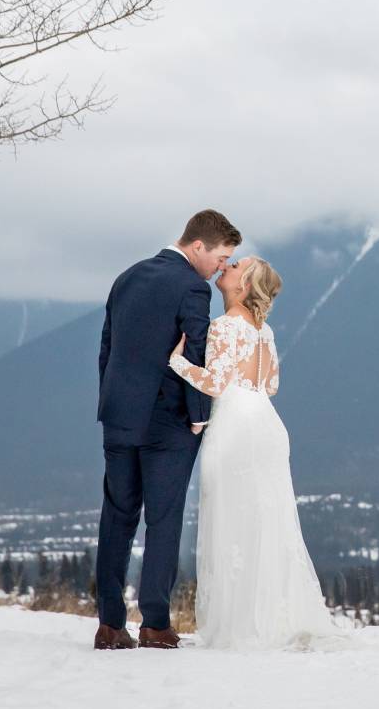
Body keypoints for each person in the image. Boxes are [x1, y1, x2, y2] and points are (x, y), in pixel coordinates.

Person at [169, 256, 349, 650]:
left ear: (244, 285)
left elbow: (215, 383)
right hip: (266, 424)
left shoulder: (225, 325)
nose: (226, 266)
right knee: (267, 521)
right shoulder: (263, 331)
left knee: (232, 518)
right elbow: (271, 385)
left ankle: (241, 623)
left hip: (235, 427)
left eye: (234, 266)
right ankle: (274, 613)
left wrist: (177, 361)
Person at [93, 209, 241, 650]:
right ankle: (155, 624)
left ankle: (109, 625)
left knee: (117, 517)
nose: (221, 266)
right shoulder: (192, 287)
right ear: (198, 246)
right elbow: (195, 348)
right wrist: (199, 414)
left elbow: (107, 348)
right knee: (163, 520)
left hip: (118, 416)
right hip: (168, 422)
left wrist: (111, 401)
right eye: (221, 256)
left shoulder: (127, 277)